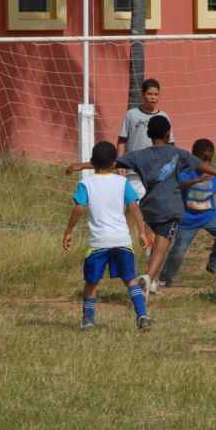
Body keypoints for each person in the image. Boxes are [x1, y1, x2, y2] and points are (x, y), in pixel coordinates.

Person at [68, 115, 216, 297]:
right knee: (161, 248)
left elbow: (110, 163)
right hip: (170, 209)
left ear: (149, 134)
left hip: (149, 207)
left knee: (156, 243)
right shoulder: (178, 153)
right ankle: (148, 279)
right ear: (168, 134)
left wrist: (82, 166)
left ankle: (151, 281)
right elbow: (202, 165)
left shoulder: (139, 155)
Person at [63, 141, 152, 332]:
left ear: (92, 161)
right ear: (114, 163)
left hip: (98, 243)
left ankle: (88, 321)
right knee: (130, 279)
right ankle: (142, 315)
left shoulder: (86, 183)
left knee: (91, 282)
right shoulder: (122, 182)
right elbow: (134, 206)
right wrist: (142, 231)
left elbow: (79, 208)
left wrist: (68, 231)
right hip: (122, 241)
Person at [158, 138, 216, 287]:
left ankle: (215, 264)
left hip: (209, 215)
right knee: (179, 250)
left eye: (209, 159)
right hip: (187, 219)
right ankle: (165, 278)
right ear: (193, 156)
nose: (206, 163)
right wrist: (197, 180)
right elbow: (181, 184)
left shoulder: (214, 171)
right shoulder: (186, 170)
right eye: (202, 159)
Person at [117, 78, 173, 199]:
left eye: (156, 94)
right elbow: (122, 140)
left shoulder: (163, 116)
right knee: (134, 205)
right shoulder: (131, 114)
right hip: (134, 171)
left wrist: (169, 166)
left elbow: (170, 145)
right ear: (142, 95)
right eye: (149, 94)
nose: (153, 97)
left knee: (154, 205)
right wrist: (120, 163)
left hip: (157, 171)